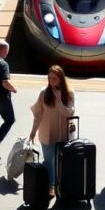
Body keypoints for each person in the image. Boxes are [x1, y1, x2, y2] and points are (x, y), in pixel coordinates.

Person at [27, 66, 75, 199]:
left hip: (63, 134)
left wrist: (59, 102)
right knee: (49, 159)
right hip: (46, 133)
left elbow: (69, 113)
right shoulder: (44, 93)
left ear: (61, 79)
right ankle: (51, 186)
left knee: (60, 160)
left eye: (54, 78)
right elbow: (38, 115)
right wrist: (32, 132)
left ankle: (60, 184)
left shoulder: (69, 93)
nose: (51, 81)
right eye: (49, 78)